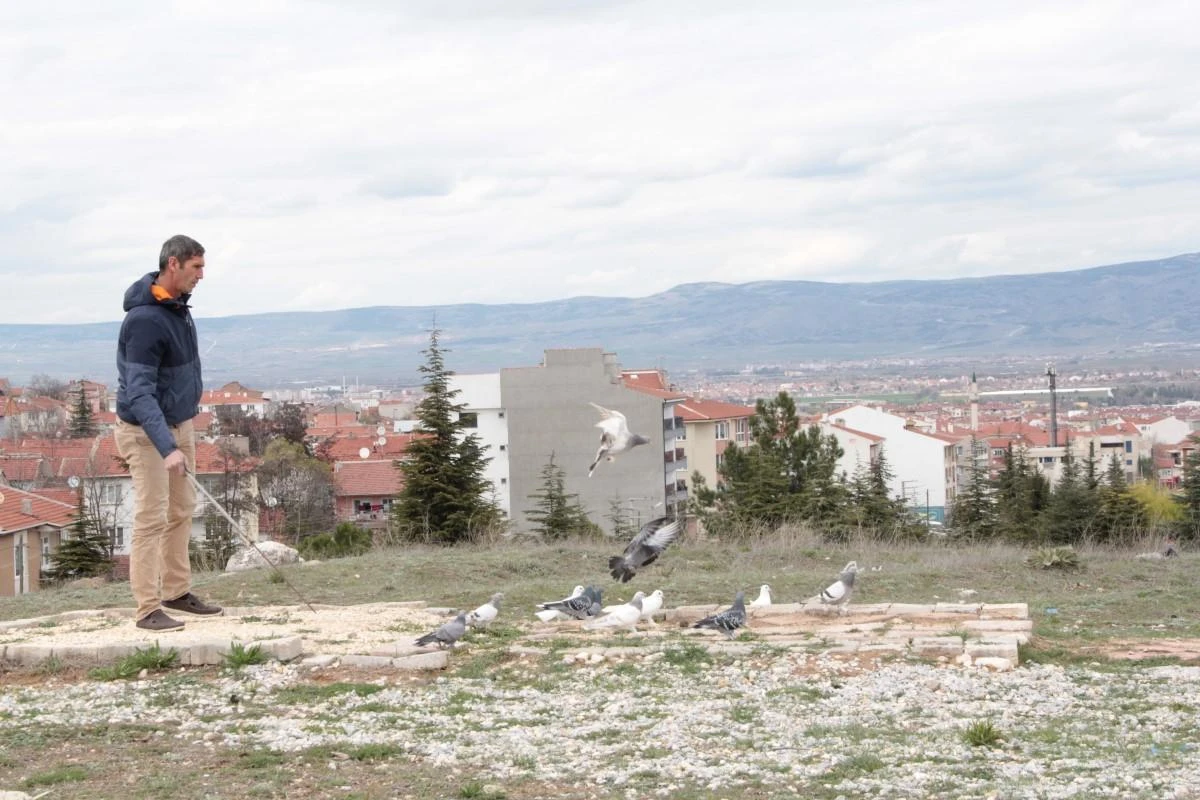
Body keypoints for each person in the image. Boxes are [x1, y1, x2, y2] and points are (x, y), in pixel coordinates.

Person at [115, 234, 222, 631]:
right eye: (196, 267)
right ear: (173, 264)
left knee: (180, 511)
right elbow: (139, 393)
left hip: (180, 425)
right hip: (146, 433)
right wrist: (166, 447)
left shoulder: (177, 308)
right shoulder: (145, 320)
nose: (202, 275)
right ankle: (146, 609)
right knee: (151, 517)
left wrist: (181, 434)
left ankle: (176, 592)